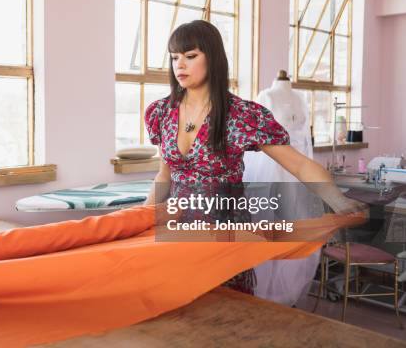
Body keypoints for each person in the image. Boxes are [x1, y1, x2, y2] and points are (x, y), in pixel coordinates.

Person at [143, 20, 367, 295]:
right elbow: (164, 175)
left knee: (223, 317)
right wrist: (139, 218)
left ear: (212, 59)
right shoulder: (161, 113)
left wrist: (338, 200)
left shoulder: (241, 115)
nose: (180, 65)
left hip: (224, 235)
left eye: (190, 56)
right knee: (176, 310)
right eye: (175, 58)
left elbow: (298, 164)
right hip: (177, 231)